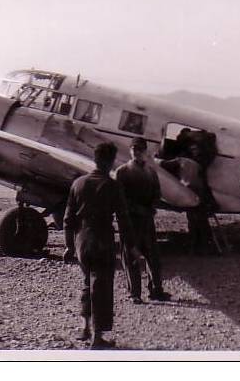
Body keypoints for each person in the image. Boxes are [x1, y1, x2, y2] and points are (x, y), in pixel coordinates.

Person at [63, 142, 138, 349]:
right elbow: (124, 220)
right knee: (102, 287)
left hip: (82, 241)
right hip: (102, 238)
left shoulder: (78, 183)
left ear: (94, 159)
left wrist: (69, 245)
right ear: (111, 161)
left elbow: (68, 219)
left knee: (87, 283)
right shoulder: (113, 186)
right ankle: (97, 338)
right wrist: (131, 246)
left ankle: (84, 327)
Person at [116, 137, 172, 303]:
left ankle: (156, 290)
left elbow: (157, 194)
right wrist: (136, 211)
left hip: (147, 220)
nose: (137, 152)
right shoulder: (122, 171)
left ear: (145, 151)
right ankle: (135, 293)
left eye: (140, 149)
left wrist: (152, 208)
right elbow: (120, 198)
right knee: (131, 257)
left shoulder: (151, 172)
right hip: (130, 220)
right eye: (134, 149)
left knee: (153, 256)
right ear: (130, 151)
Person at [158, 143, 216, 255]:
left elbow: (163, 164)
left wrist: (154, 158)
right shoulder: (198, 165)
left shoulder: (181, 160)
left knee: (193, 220)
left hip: (189, 190)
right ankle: (207, 245)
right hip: (199, 192)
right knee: (201, 220)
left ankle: (194, 247)